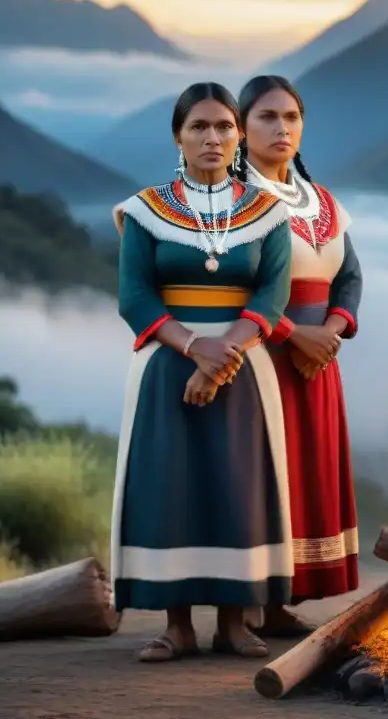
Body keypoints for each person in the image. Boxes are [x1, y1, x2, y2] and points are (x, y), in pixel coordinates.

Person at [110, 82, 294, 662]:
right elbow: (135, 296)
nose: (212, 138)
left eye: (223, 127)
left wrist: (223, 355)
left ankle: (235, 623)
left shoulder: (267, 212)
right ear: (178, 137)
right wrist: (194, 348)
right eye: (199, 128)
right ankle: (177, 627)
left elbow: (271, 294)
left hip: (242, 366)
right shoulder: (145, 210)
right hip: (167, 364)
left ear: (239, 136)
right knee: (174, 485)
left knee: (237, 486)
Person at [234, 75, 362, 637]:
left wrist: (330, 332)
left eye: (291, 117)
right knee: (261, 473)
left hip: (318, 362)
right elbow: (238, 285)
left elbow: (350, 276)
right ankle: (245, 599)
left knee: (304, 472)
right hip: (261, 356)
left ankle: (281, 598)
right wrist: (294, 336)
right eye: (266, 117)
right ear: (241, 129)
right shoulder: (230, 199)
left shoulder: (324, 201)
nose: (281, 127)